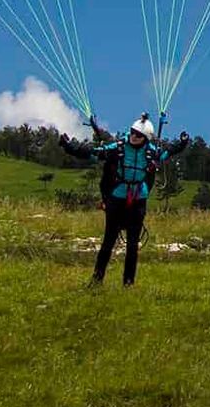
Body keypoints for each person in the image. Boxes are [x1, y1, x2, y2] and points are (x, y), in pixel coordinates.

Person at [61, 112, 174, 287]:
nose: (134, 136)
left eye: (138, 135)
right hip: (117, 199)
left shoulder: (151, 152)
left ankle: (128, 282)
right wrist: (69, 147)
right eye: (132, 132)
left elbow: (169, 153)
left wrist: (182, 142)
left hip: (138, 200)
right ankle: (97, 279)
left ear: (145, 138)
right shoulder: (118, 147)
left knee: (132, 244)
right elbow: (93, 153)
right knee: (109, 241)